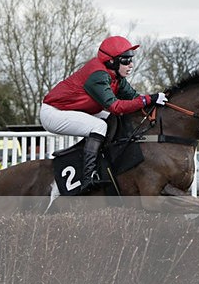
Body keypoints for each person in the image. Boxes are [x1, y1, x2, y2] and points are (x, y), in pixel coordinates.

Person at [39, 36, 168, 193]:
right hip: (54, 113)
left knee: (112, 121)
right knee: (99, 126)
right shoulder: (98, 75)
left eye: (131, 60)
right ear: (112, 62)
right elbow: (116, 106)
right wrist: (149, 99)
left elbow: (135, 98)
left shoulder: (116, 77)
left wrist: (155, 103)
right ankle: (88, 177)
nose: (131, 65)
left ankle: (106, 164)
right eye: (126, 60)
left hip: (74, 110)